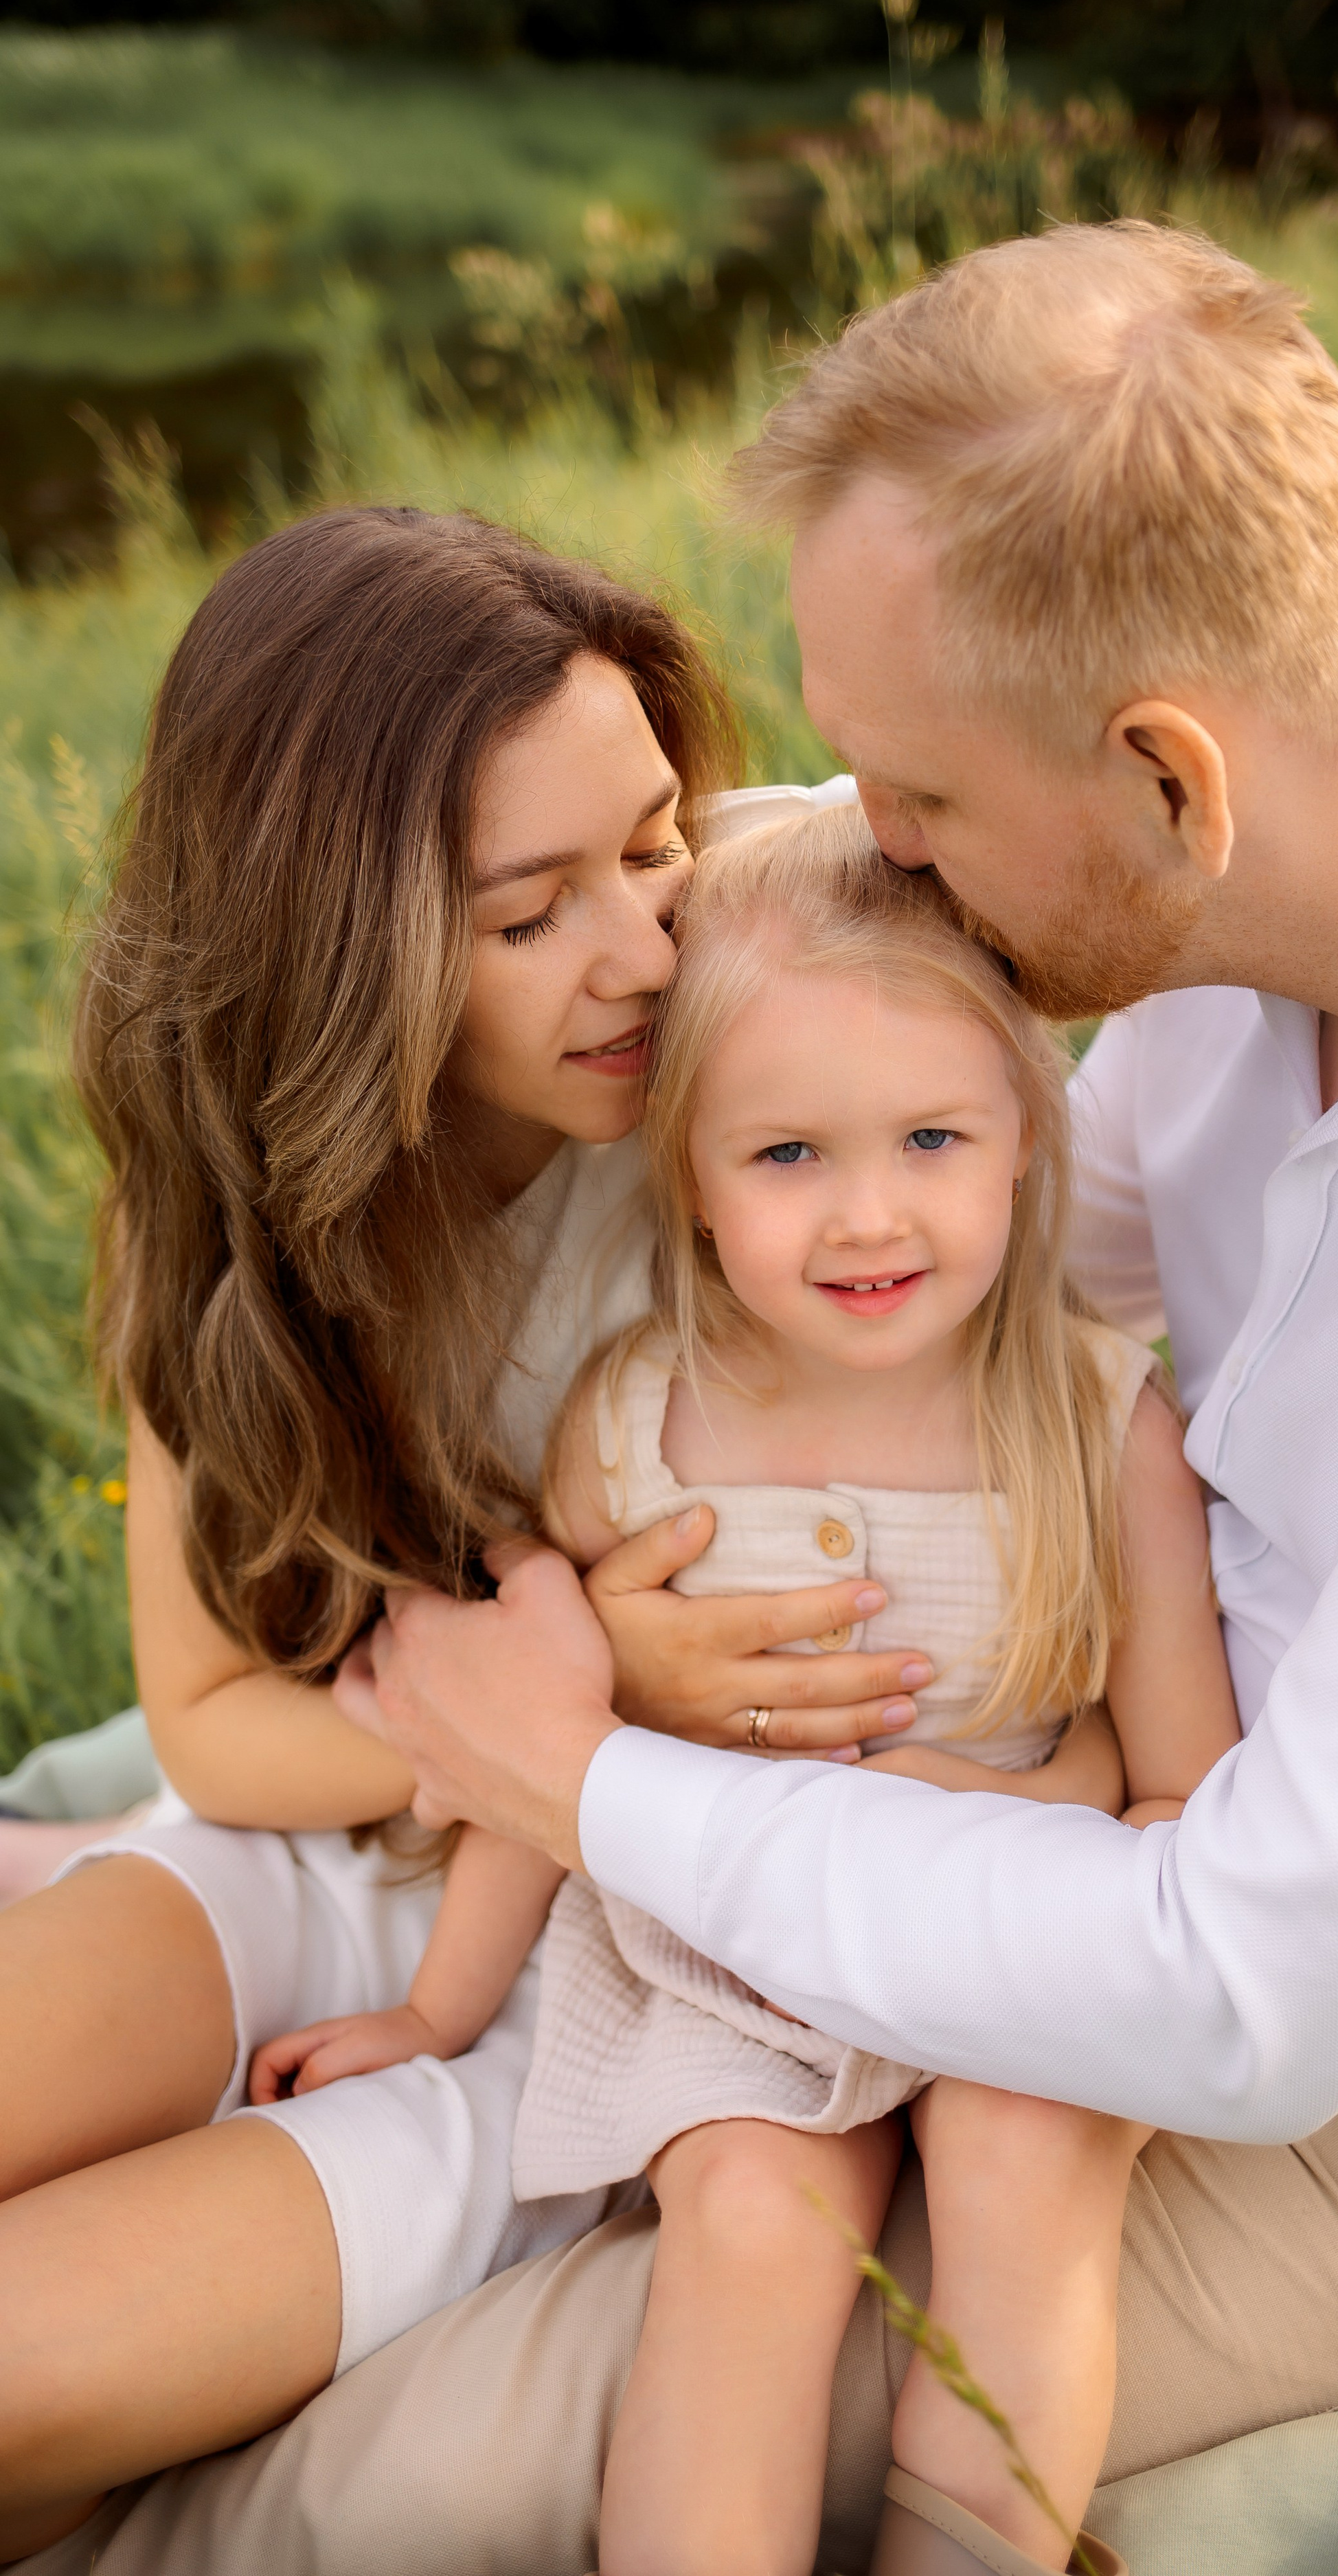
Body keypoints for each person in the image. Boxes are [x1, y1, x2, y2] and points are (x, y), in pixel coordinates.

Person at [14, 216, 1338, 2573]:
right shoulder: (1251, 932)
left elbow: (1238, 1983)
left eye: (910, 800)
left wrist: (596, 1770)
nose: (851, 856)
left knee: (396, 2473)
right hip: (982, 1849)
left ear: (1166, 777)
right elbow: (876, 1194)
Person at [0, 510, 930, 2567]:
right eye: (530, 913)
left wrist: (606, 1745)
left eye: (652, 837)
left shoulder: (786, 965)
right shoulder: (233, 1186)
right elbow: (217, 1716)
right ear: (347, 949)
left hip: (598, 1973)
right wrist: (560, 1688)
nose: (644, 948)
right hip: (314, 1844)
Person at [246, 802, 1237, 2576]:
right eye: (786, 1153)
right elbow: (549, 1765)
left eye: (932, 1135)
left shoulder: (1099, 1424)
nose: (870, 1213)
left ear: (1025, 1129)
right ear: (687, 1171)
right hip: (741, 1970)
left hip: (1015, 1932)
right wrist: (435, 2008)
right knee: (753, 2216)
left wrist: (1042, 1836)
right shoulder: (635, 1427)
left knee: (1026, 2159)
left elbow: (1189, 1797)